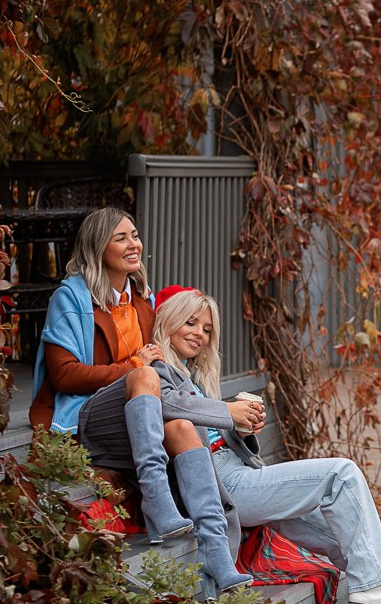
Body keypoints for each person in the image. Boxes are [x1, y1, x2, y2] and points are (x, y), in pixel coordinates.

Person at [137, 284, 381, 604]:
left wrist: (242, 427)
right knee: (340, 473)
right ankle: (370, 588)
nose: (199, 334)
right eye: (190, 323)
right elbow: (165, 408)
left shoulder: (194, 375)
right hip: (222, 485)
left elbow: (212, 428)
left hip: (236, 473)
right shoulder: (156, 370)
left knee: (348, 531)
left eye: (206, 329)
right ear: (167, 321)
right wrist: (226, 413)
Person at [28, 209, 260, 584]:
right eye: (120, 238)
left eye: (134, 235)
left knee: (183, 426)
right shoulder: (70, 298)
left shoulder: (141, 298)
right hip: (86, 413)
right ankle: (155, 497)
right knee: (145, 375)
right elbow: (64, 375)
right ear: (97, 246)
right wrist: (134, 366)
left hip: (136, 413)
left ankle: (217, 552)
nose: (133, 244)